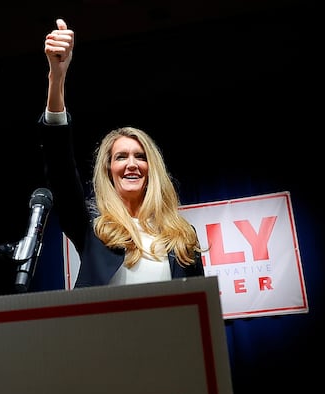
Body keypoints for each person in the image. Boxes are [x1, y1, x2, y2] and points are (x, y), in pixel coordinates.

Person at [39, 18, 205, 288]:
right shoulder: (94, 231)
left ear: (153, 169)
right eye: (121, 157)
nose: (132, 164)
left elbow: (198, 306)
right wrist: (56, 77)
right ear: (109, 171)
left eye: (140, 157)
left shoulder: (182, 236)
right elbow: (60, 169)